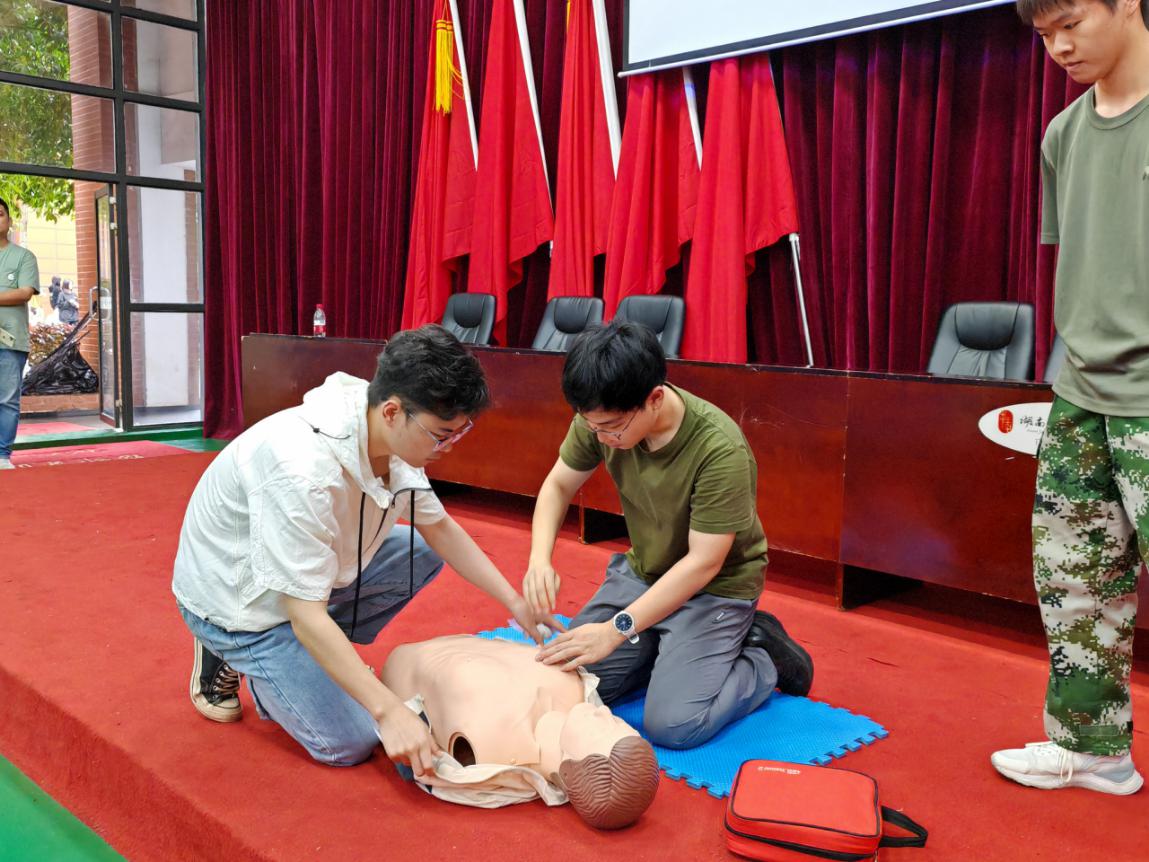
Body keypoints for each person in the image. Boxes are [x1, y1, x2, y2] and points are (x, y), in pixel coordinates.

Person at [173, 324, 559, 771]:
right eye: (441, 434)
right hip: (240, 601)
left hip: (304, 577)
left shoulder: (385, 424)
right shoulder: (302, 471)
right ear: (393, 412)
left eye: (458, 433)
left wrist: (514, 601)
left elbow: (440, 529)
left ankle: (310, 662)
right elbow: (304, 613)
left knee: (419, 550)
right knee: (350, 742)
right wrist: (388, 710)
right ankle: (244, 658)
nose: (449, 447)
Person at [991, 0, 1149, 796]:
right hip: (1081, 394)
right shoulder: (1062, 133)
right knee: (1075, 584)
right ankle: (1093, 751)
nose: (1057, 46)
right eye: (1042, 32)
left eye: (1072, 21)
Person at [522, 321, 813, 750]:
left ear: (654, 399)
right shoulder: (601, 416)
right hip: (646, 574)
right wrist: (538, 560)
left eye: (611, 428)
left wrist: (615, 630)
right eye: (592, 427)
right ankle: (661, 649)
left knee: (674, 725)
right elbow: (558, 485)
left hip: (714, 589)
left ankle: (761, 657)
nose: (602, 438)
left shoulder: (719, 449)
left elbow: (704, 563)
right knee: (568, 685)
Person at [381, 635, 660, 829]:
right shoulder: (575, 691)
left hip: (401, 663)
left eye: (603, 729)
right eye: (617, 722)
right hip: (451, 646)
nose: (604, 712)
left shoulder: (492, 742)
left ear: (572, 767)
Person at [0, 197, 40, 472]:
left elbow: (25, 293)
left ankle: (2, 455)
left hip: (10, 341)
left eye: (0, 213)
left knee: (6, 400)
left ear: (9, 220)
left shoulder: (24, 257)